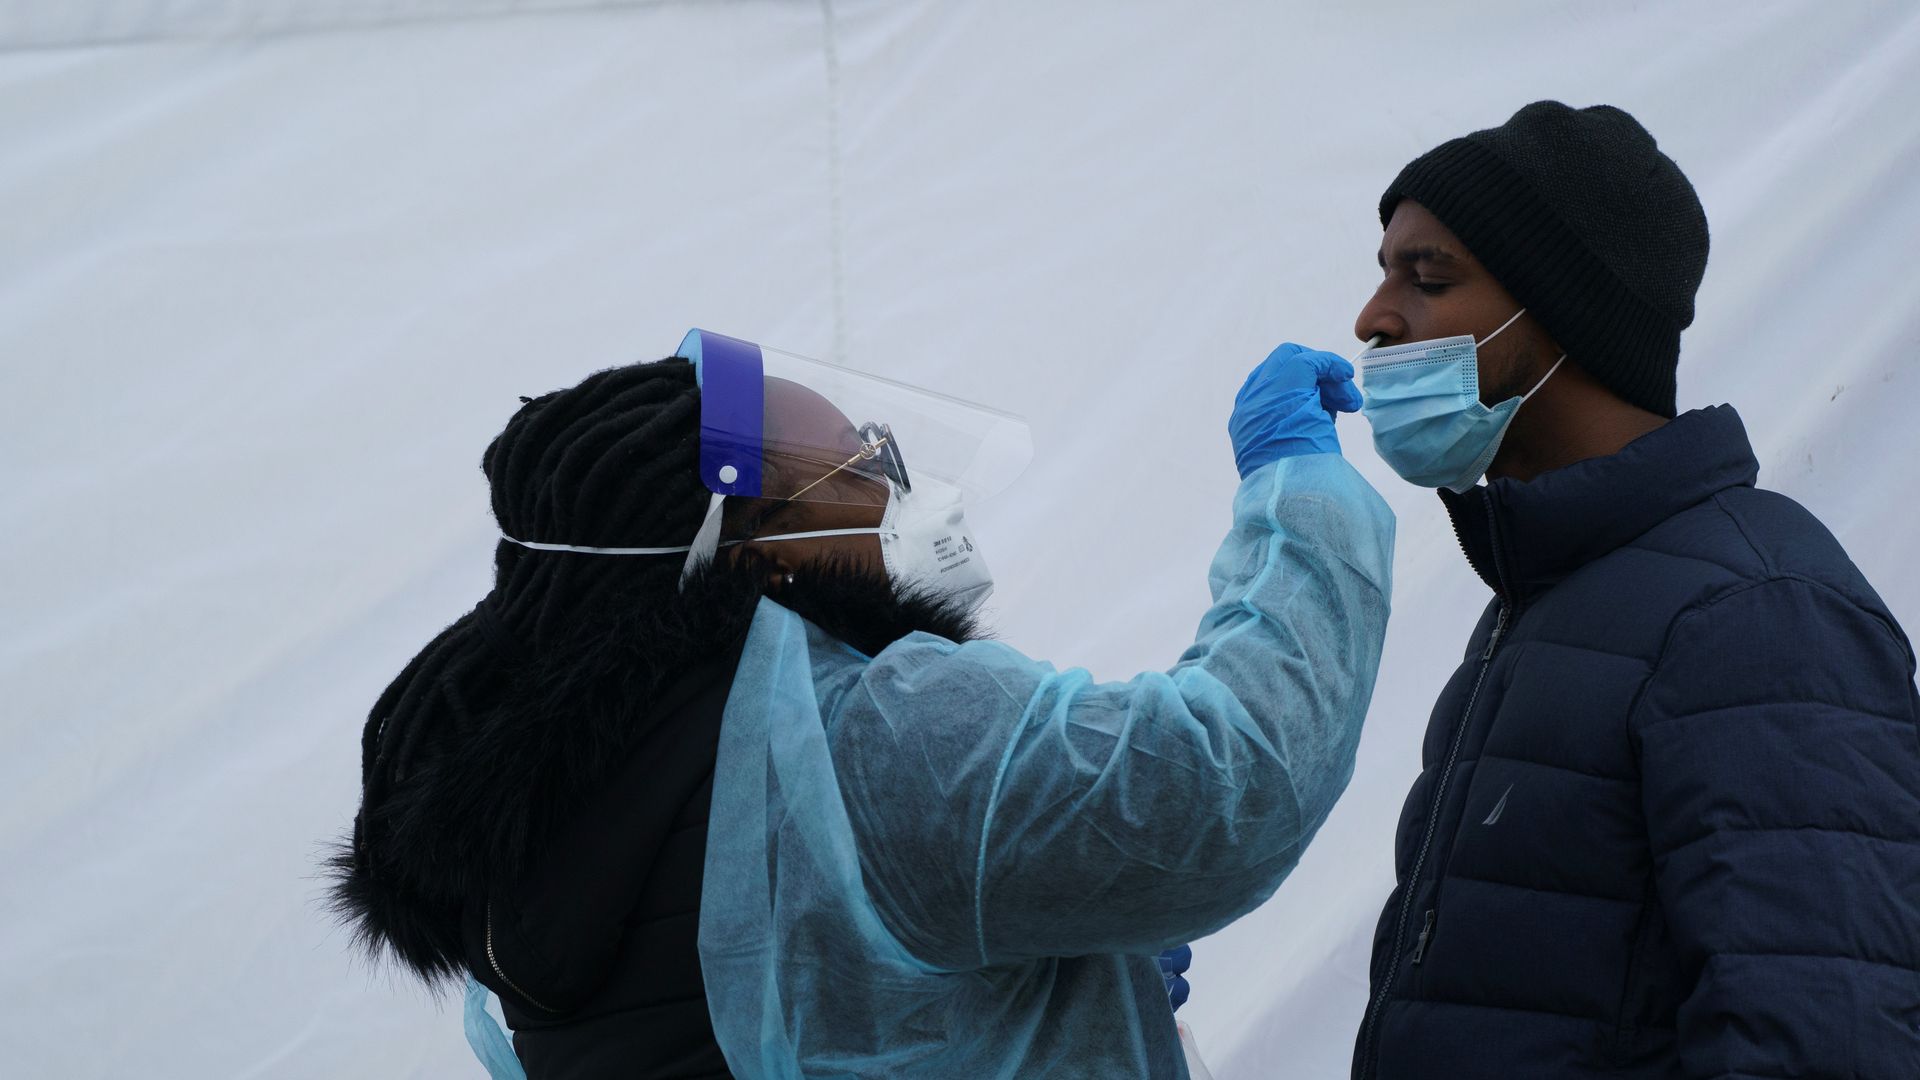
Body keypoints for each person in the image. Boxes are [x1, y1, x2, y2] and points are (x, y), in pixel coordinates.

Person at [329, 329, 1395, 1078]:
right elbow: (1221, 787)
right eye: (865, 467)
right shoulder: (871, 731)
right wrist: (1297, 499)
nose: (905, 500)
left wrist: (1020, 1011)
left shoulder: (531, 800)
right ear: (747, 546)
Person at [1346, 101, 1920, 1079]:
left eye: (1429, 276)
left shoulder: (1755, 606)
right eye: (1384, 270)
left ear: (1561, 313)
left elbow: (1828, 1034)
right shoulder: (1543, 602)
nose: (1373, 317)